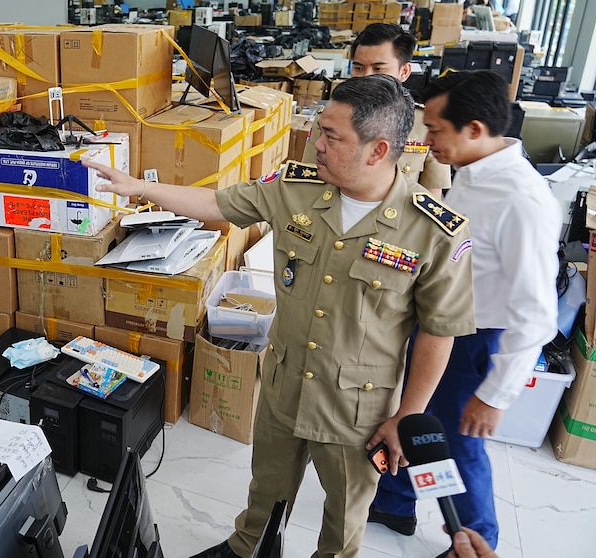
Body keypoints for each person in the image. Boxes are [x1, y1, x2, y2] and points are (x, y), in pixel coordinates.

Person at [82, 74, 476, 558]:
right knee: (267, 488)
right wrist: (139, 186)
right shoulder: (295, 188)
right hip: (284, 384)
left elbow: (439, 332)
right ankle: (246, 549)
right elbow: (217, 203)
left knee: (345, 515)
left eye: (331, 136)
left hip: (356, 410)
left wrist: (407, 415)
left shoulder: (433, 230)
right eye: (319, 129)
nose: (316, 143)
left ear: (377, 151)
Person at [369, 70, 561, 555]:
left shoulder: (522, 200)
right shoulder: (475, 171)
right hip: (442, 323)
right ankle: (394, 502)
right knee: (411, 415)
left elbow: (537, 315)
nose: (427, 140)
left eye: (435, 130)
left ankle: (477, 541)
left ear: (474, 129)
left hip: (476, 340)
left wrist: (495, 395)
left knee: (458, 443)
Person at [301, 23, 451, 197]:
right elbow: (308, 180)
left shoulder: (427, 125)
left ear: (404, 71)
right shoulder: (328, 119)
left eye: (378, 69)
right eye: (358, 68)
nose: (366, 77)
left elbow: (431, 196)